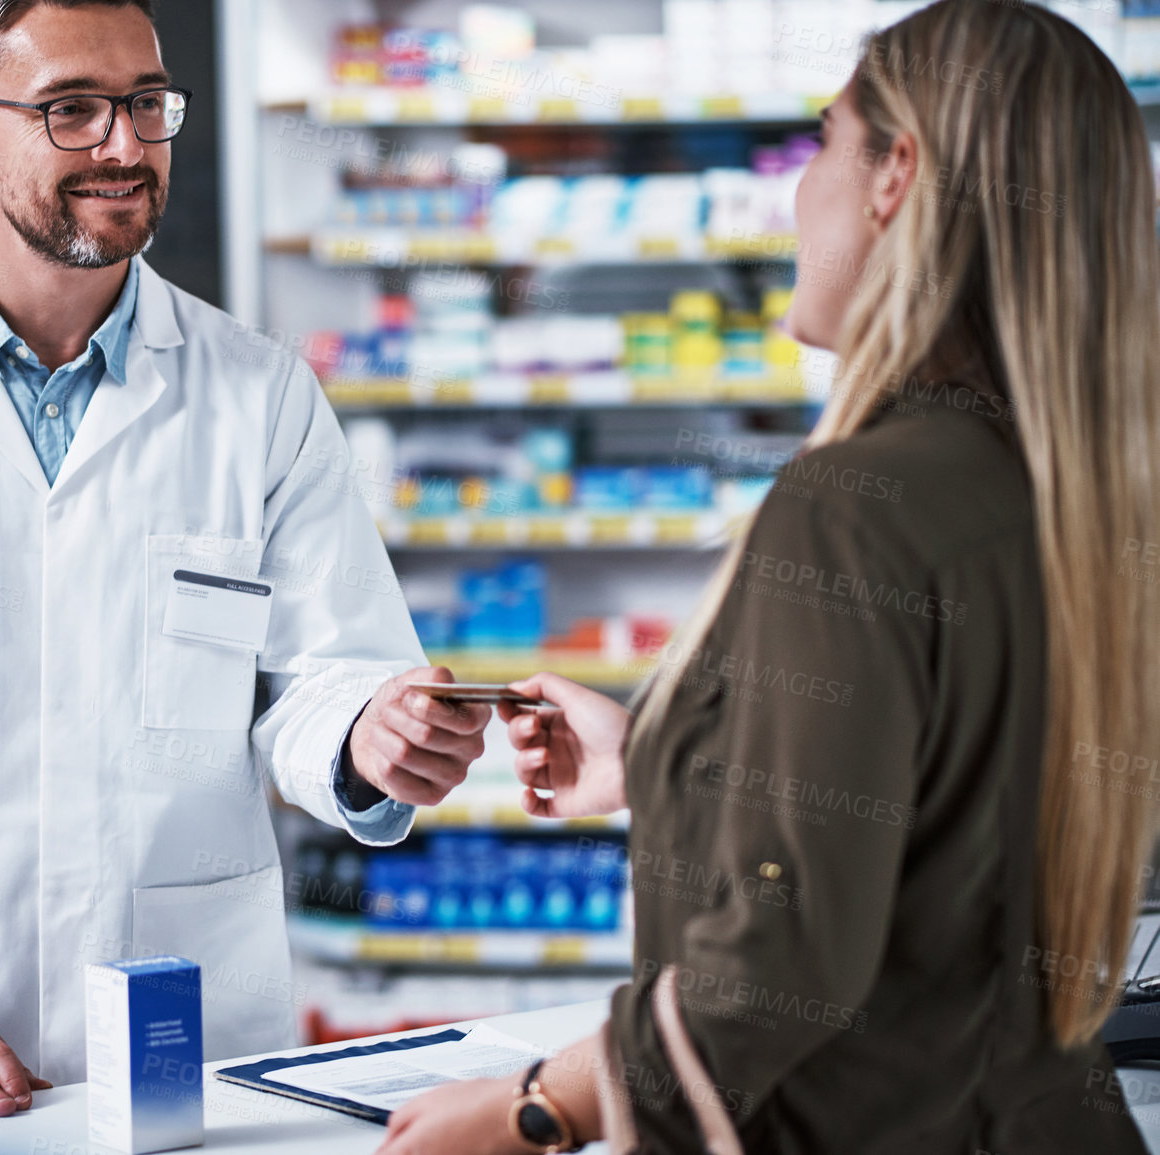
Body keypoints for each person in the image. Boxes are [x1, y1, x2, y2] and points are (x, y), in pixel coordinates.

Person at [0, 0, 490, 1127]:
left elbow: (323, 678)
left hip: (188, 1052)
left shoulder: (258, 395)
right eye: (71, 110)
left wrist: (364, 737)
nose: (123, 146)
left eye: (147, 105)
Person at [378, 2, 1160, 1152]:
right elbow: (935, 819)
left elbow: (778, 968)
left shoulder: (852, 506)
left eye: (824, 144)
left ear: (895, 176)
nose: (799, 192)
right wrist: (674, 761)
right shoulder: (1072, 488)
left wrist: (532, 1110)